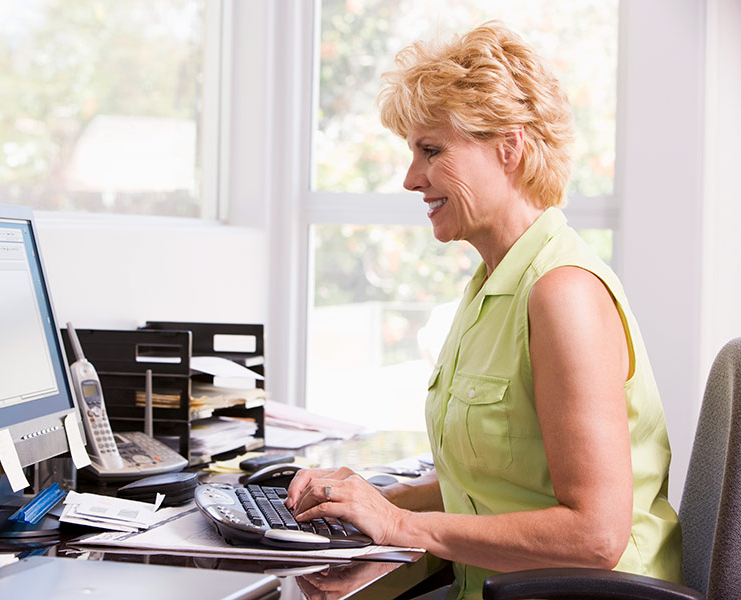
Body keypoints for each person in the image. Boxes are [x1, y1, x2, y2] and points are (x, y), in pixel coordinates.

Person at [285, 22, 683, 600]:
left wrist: (399, 525)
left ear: (509, 148)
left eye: (432, 150)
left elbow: (595, 535)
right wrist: (371, 499)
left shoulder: (561, 292)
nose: (410, 177)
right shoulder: (493, 284)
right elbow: (495, 483)